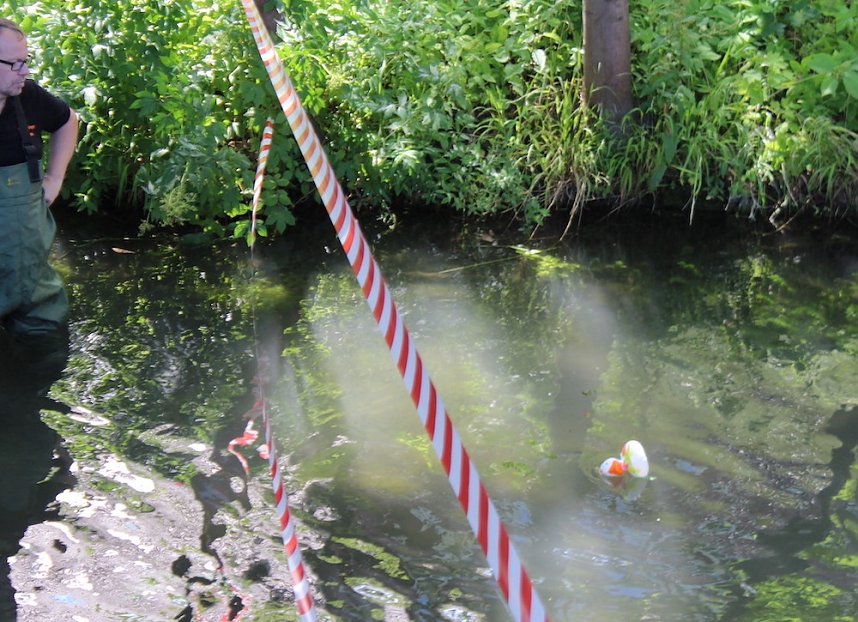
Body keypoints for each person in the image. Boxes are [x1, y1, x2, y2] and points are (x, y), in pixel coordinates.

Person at [0, 17, 77, 339]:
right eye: (16, 64)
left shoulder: (27, 97)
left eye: (26, 62)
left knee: (44, 347)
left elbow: (68, 120)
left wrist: (55, 178)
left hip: (33, 291)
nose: (25, 72)